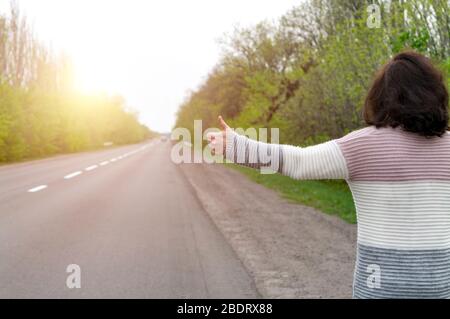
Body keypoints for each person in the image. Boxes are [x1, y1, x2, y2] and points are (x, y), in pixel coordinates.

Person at [208, 51, 450, 299]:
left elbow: (298, 162)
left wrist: (238, 146)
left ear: (381, 98)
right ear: (434, 95)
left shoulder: (361, 146)